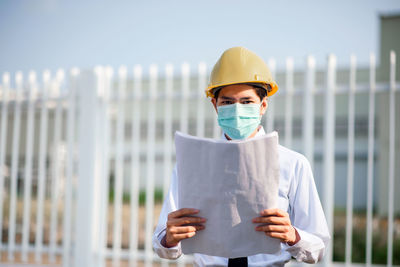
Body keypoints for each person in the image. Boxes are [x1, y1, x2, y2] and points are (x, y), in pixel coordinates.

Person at [153, 47, 330, 267]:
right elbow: (162, 247)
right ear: (215, 106)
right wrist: (169, 239)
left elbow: (318, 249)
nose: (237, 110)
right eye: (227, 102)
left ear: (263, 105)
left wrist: (292, 235)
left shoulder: (293, 164)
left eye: (246, 102)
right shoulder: (192, 165)